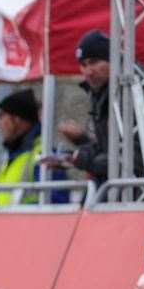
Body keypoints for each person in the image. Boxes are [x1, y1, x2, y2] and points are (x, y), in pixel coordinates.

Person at [57, 30, 110, 183]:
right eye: (83, 64)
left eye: (94, 62)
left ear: (111, 60)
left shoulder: (133, 93)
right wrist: (81, 143)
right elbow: (106, 148)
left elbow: (130, 160)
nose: (88, 71)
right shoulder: (98, 95)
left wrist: (83, 159)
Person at [0, 88, 42, 205]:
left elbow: (55, 204)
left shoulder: (42, 155)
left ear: (17, 119)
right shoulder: (12, 155)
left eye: (2, 116)